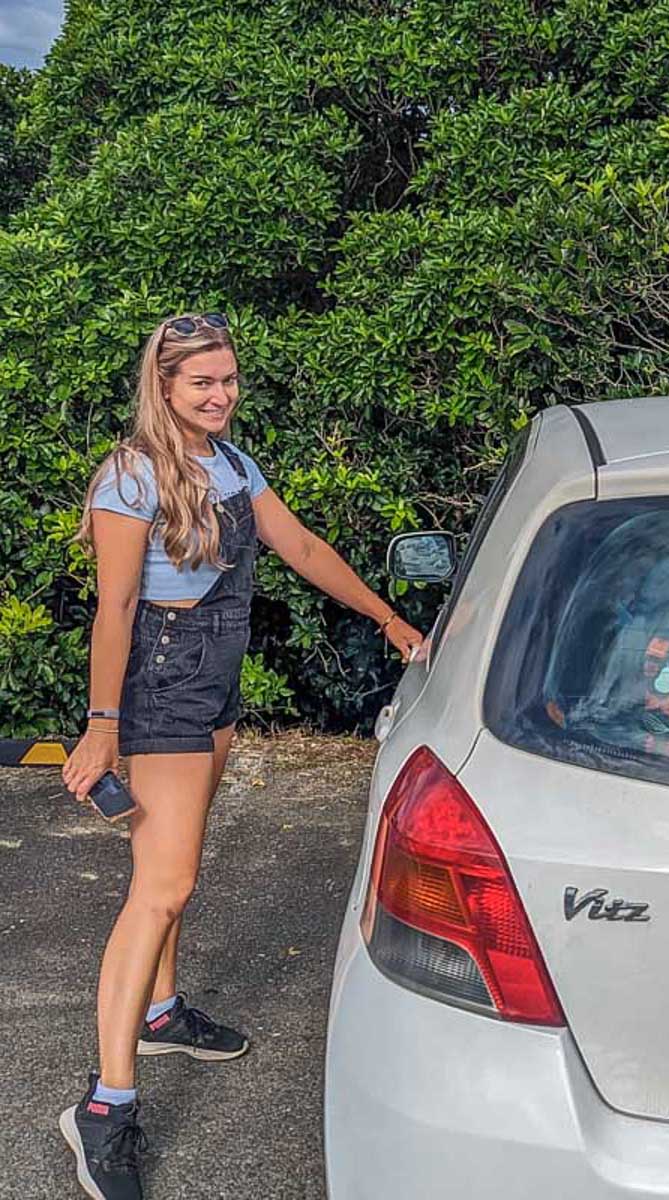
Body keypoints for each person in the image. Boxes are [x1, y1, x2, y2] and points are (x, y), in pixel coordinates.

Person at [58, 312, 424, 1199]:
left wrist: (388, 618)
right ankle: (103, 1109)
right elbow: (113, 613)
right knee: (163, 886)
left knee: (173, 863)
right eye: (201, 384)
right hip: (160, 689)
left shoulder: (231, 464)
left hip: (216, 684)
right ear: (164, 386)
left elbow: (298, 546)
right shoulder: (130, 478)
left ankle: (159, 1009)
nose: (220, 396)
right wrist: (102, 724)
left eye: (227, 380)